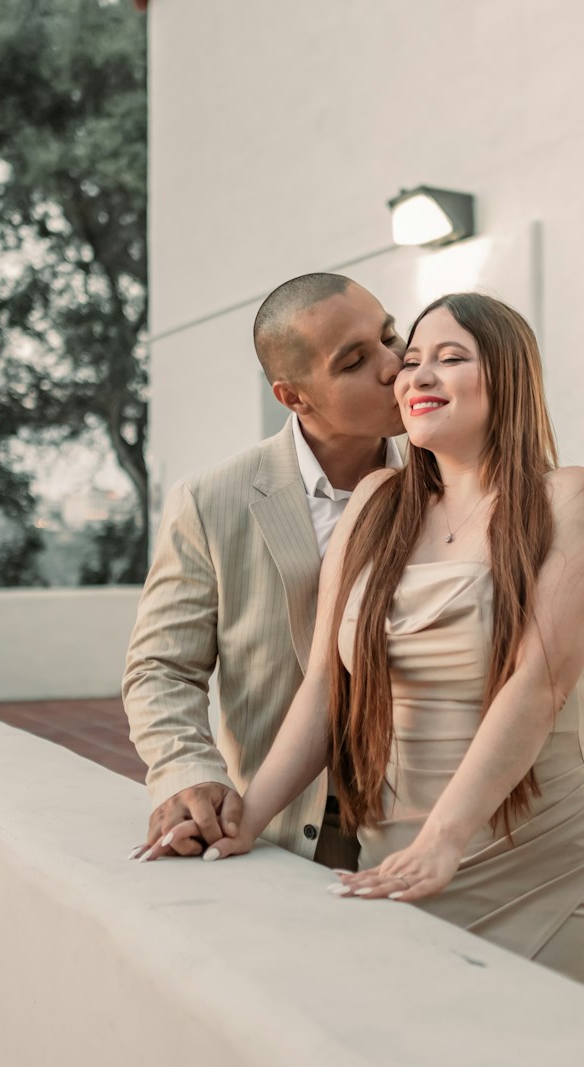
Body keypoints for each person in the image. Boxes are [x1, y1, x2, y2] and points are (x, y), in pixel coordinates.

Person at [179, 292, 584, 994]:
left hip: (545, 861)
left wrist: (444, 841)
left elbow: (537, 685)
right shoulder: (376, 503)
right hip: (395, 855)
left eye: (450, 358)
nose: (416, 375)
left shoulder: (571, 499)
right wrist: (246, 817)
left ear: (511, 375)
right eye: (412, 360)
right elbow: (327, 689)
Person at [125, 273, 406, 871]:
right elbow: (162, 666)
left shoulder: (450, 480)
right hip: (287, 831)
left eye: (389, 336)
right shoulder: (211, 499)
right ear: (293, 397)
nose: (395, 365)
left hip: (432, 823)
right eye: (356, 360)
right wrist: (188, 771)